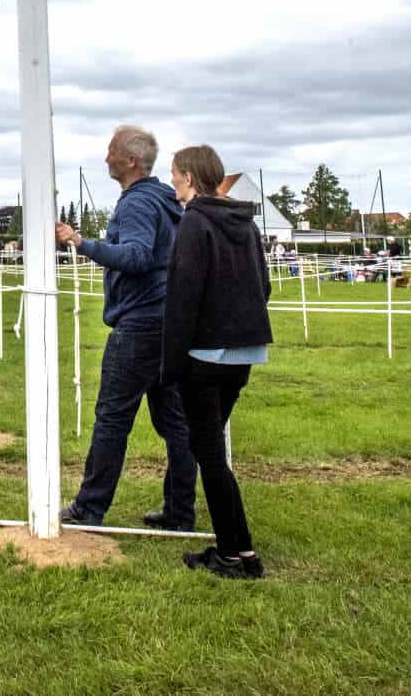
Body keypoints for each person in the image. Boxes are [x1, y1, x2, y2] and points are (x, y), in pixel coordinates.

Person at [52, 126, 192, 531]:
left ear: (130, 161)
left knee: (112, 417)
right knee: (176, 423)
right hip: (171, 324)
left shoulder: (136, 205)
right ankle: (180, 511)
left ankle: (88, 508)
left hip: (141, 325)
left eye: (111, 151)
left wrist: (83, 243)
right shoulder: (165, 201)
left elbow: (136, 256)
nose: (106, 157)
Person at [162, 143, 272, 581]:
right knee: (209, 450)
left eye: (174, 173)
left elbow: (183, 298)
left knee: (208, 452)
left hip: (204, 355)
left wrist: (171, 366)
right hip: (244, 351)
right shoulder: (246, 225)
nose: (172, 180)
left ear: (189, 176)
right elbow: (263, 286)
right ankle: (238, 550)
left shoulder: (194, 223)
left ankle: (235, 554)